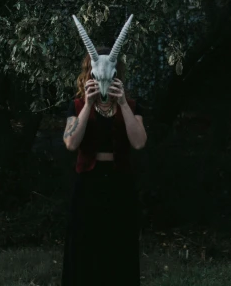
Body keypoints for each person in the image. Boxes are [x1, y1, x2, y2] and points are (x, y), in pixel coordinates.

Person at [61, 45, 147, 286]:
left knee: (119, 247)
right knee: (85, 247)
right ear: (90, 72)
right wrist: (88, 105)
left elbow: (139, 143)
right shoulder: (77, 106)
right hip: (88, 184)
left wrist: (124, 104)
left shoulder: (130, 105)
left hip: (120, 184)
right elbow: (70, 142)